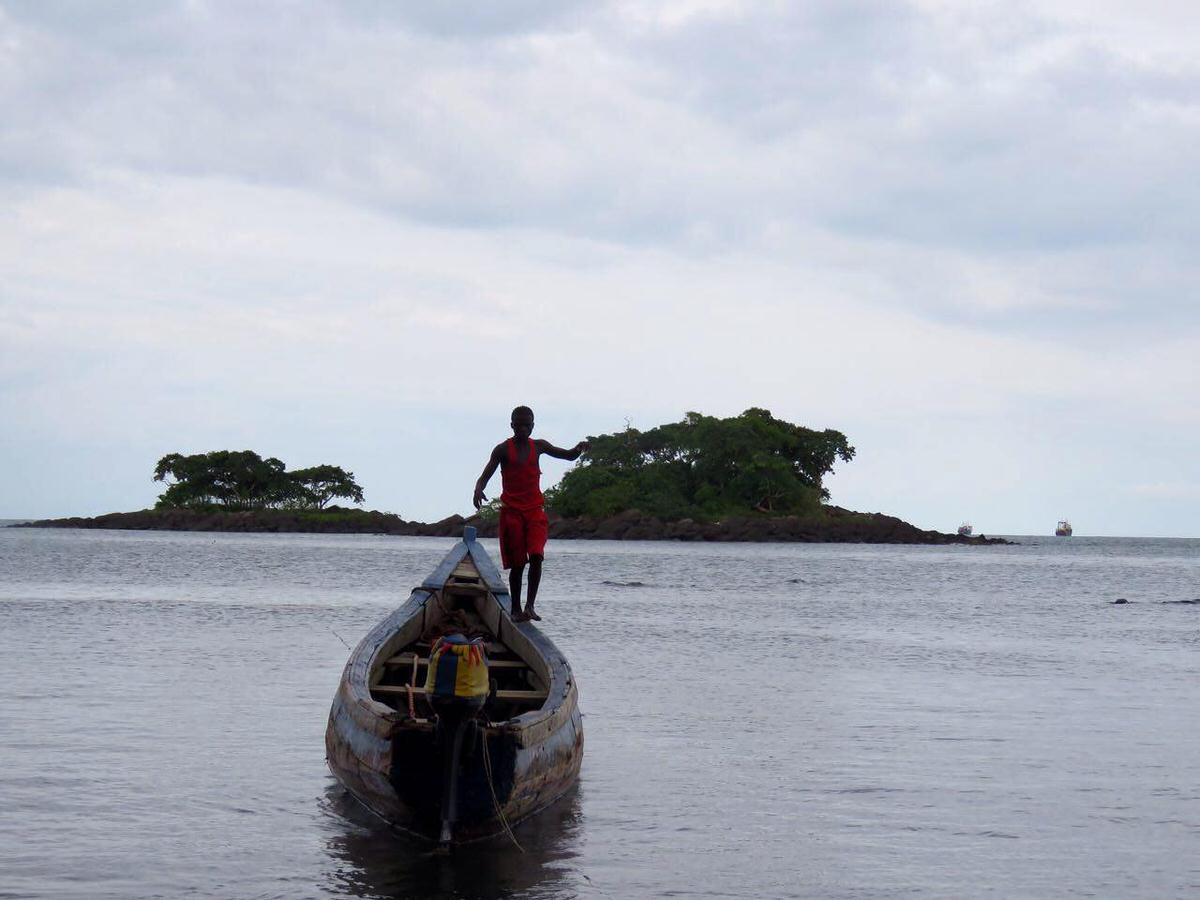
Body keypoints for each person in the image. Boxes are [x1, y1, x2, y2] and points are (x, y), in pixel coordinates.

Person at [473, 406, 588, 622]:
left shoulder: (540, 446)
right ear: (512, 426)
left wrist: (579, 448)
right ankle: (515, 608)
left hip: (534, 511)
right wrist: (478, 489)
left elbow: (568, 456)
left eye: (527, 425)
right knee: (518, 564)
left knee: (536, 555)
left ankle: (530, 606)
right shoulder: (502, 450)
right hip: (512, 513)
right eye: (519, 425)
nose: (523, 429)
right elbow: (484, 476)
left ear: (533, 426)